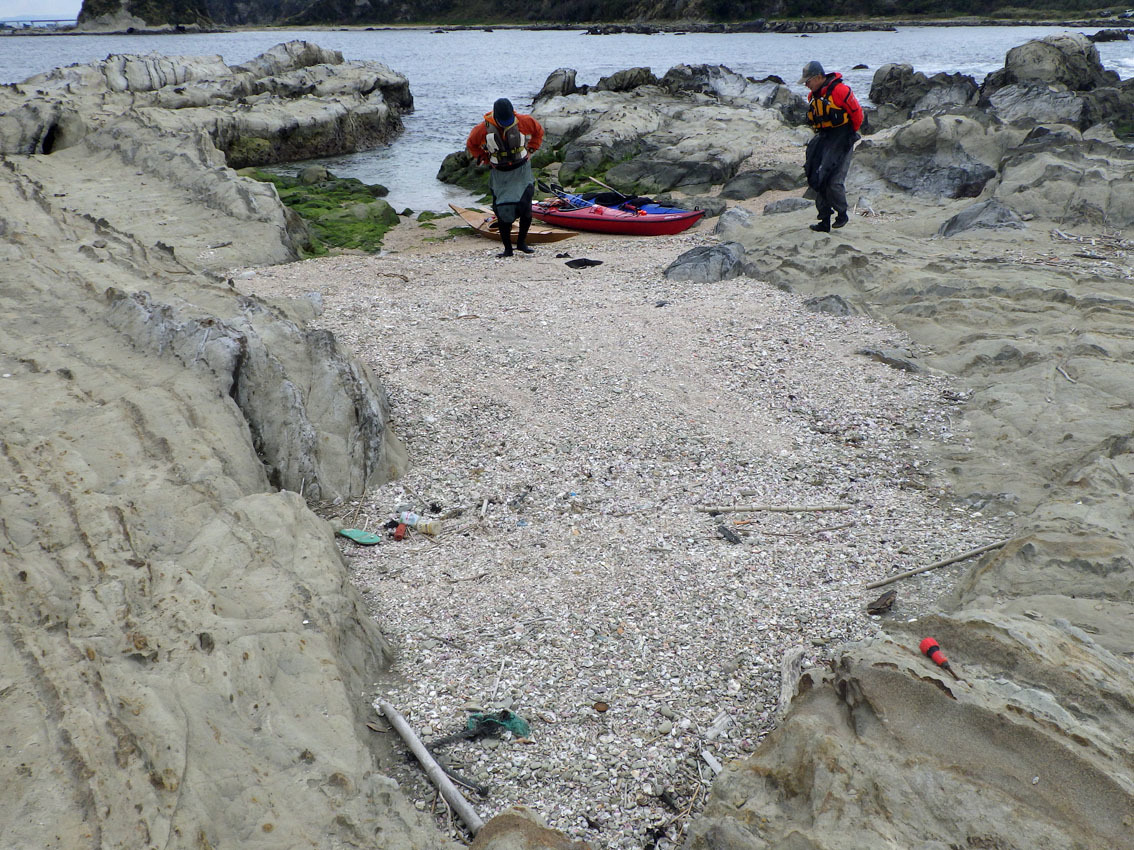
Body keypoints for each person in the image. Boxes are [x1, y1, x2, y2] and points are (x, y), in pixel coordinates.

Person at [465, 98, 545, 257]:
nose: (505, 124)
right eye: (502, 122)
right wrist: (482, 157)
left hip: (521, 170)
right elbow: (471, 144)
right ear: (495, 117)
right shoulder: (482, 129)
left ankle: (522, 243)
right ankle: (508, 249)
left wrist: (532, 148)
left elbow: (538, 131)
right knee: (502, 211)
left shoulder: (523, 121)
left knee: (526, 209)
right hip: (500, 173)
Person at [798, 61, 863, 233]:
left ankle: (842, 213)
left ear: (819, 77)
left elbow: (857, 115)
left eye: (808, 81)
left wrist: (848, 136)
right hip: (824, 137)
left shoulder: (840, 91)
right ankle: (824, 221)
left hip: (842, 137)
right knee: (817, 177)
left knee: (833, 181)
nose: (806, 85)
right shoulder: (813, 97)